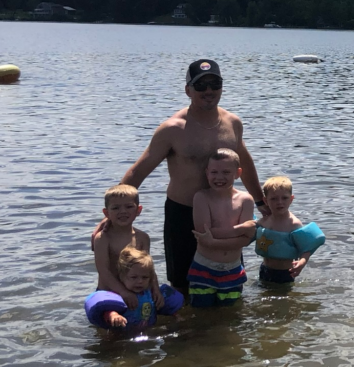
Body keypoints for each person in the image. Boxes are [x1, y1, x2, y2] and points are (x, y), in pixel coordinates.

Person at [118, 59, 267, 292]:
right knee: (183, 286)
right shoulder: (173, 129)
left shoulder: (233, 123)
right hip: (183, 216)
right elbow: (138, 172)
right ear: (188, 90)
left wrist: (261, 202)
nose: (208, 91)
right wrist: (114, 214)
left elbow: (245, 165)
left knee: (227, 282)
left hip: (225, 215)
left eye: (214, 84)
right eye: (200, 86)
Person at [188, 148, 256, 308]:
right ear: (207, 173)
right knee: (201, 312)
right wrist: (241, 228)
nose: (219, 177)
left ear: (238, 173)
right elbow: (204, 234)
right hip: (204, 267)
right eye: (214, 172)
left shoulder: (245, 200)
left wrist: (213, 241)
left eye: (226, 172)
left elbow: (245, 241)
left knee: (230, 313)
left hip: (232, 268)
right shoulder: (202, 197)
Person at [92, 184, 161, 310]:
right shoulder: (103, 239)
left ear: (138, 210)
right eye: (116, 208)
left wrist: (155, 290)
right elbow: (103, 271)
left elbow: (148, 268)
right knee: (113, 319)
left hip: (137, 289)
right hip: (110, 292)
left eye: (129, 206)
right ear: (106, 213)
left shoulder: (142, 238)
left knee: (172, 302)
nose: (123, 211)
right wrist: (123, 292)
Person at [253, 175, 326, 284]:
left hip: (285, 272)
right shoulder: (264, 221)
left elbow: (306, 248)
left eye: (284, 198)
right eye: (274, 199)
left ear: (291, 199)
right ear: (265, 200)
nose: (279, 202)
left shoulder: (293, 224)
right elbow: (250, 233)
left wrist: (301, 262)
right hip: (264, 268)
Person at [100, 248, 174, 329]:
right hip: (123, 334)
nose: (140, 281)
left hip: (148, 330)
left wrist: (176, 315)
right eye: (134, 277)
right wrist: (114, 315)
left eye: (145, 277)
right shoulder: (120, 295)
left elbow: (162, 308)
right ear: (122, 277)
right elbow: (107, 310)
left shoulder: (150, 294)